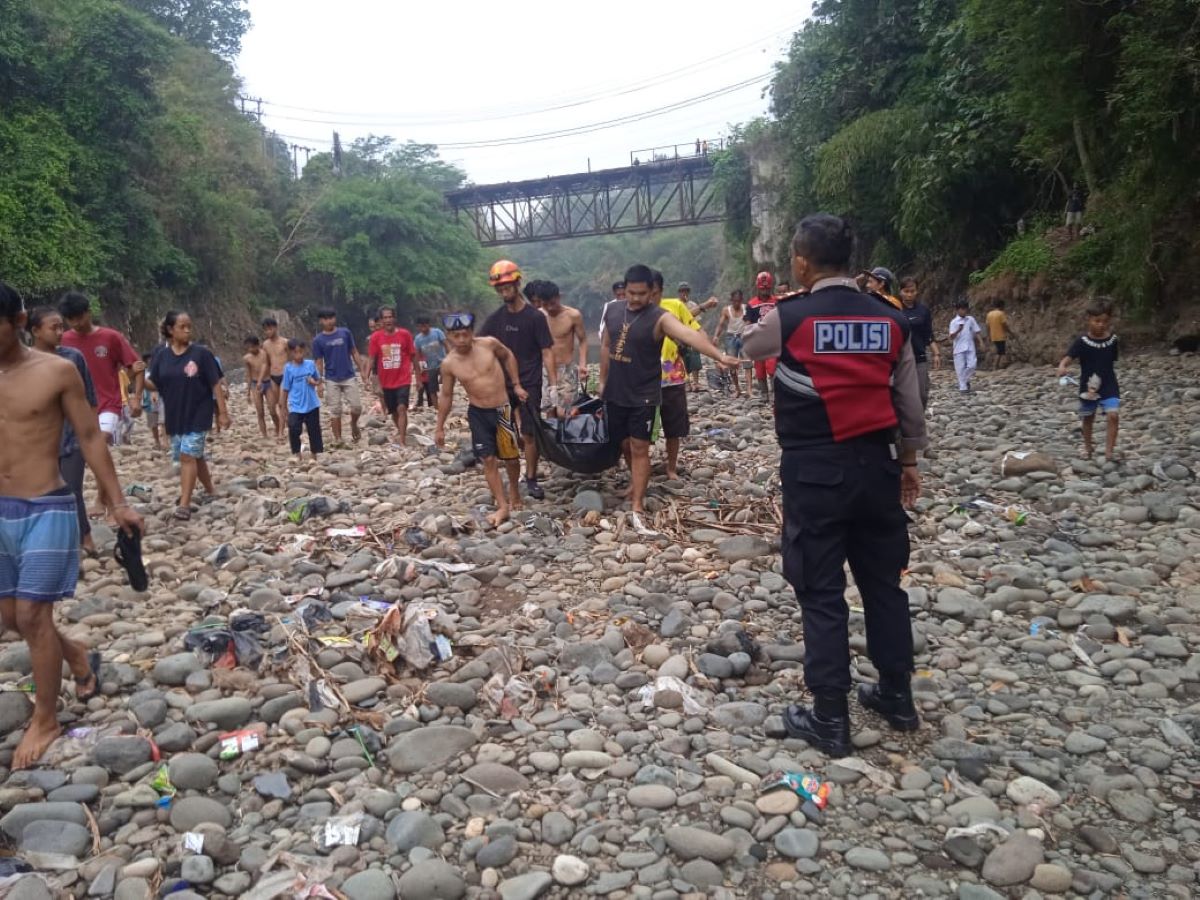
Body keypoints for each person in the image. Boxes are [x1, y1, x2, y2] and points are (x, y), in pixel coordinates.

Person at [742, 214, 926, 756]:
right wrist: (909, 463)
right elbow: (909, 404)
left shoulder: (792, 315)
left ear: (801, 261)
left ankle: (829, 719)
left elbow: (749, 346)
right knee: (884, 586)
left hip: (816, 470)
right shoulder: (891, 319)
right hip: (880, 467)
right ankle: (897, 695)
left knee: (822, 593)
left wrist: (780, 303)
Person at [0, 281, 145, 768]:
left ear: (18, 323)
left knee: (32, 616)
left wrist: (117, 502)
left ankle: (45, 718)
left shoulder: (57, 371)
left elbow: (88, 435)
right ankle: (76, 655)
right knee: (10, 616)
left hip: (46, 503)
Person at [599, 264, 738, 521]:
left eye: (642, 293)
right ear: (624, 290)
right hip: (616, 391)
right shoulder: (613, 311)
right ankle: (634, 482)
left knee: (640, 446)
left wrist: (719, 355)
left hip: (644, 393)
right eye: (631, 293)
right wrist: (602, 381)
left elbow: (688, 335)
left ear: (652, 291)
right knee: (624, 443)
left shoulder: (660, 317)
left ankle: (638, 502)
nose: (636, 299)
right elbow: (607, 344)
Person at [434, 312, 528, 527]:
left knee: (511, 458)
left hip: (502, 410)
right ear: (448, 336)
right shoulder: (449, 364)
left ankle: (514, 488)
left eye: (465, 334)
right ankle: (502, 505)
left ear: (472, 332)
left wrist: (516, 384)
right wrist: (439, 427)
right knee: (488, 459)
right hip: (478, 413)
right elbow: (446, 395)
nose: (461, 340)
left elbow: (508, 356)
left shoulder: (489, 344)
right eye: (456, 336)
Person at [27, 307, 100, 557]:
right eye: (53, 327)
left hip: (72, 438)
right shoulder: (23, 363)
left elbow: (89, 397)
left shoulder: (73, 358)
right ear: (35, 331)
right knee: (43, 493)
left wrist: (93, 432)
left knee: (72, 490)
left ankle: (85, 537)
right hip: (38, 442)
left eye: (61, 327)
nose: (60, 332)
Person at [480, 260, 556, 500]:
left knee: (530, 432)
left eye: (508, 286)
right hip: (502, 384)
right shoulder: (495, 319)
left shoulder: (535, 317)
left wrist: (553, 384)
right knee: (507, 432)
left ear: (517, 283)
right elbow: (478, 345)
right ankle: (515, 475)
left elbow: (547, 351)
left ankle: (531, 478)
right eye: (500, 288)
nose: (504, 291)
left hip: (530, 381)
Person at [146, 311, 230, 521]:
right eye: (182, 327)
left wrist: (222, 413)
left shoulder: (201, 354)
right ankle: (210, 489)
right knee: (194, 454)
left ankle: (184, 503)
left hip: (199, 412)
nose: (187, 330)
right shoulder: (161, 357)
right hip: (175, 415)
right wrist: (135, 376)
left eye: (189, 326)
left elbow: (215, 383)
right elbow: (154, 383)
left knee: (187, 456)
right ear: (170, 330)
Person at [58, 292, 144, 444]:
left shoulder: (111, 337)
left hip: (108, 404)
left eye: (80, 318)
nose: (76, 323)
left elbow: (138, 367)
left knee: (100, 440)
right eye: (71, 320)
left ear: (89, 313)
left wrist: (136, 398)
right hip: (75, 407)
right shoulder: (62, 341)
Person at [1057, 300, 1120, 461]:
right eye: (1097, 321)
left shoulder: (1113, 341)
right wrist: (1063, 365)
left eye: (1105, 321)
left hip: (1109, 384)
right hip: (1088, 386)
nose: (1101, 325)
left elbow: (1112, 360)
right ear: (1089, 320)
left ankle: (1109, 452)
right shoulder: (1082, 341)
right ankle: (1087, 447)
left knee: (1113, 415)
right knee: (1088, 416)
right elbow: (1069, 356)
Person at [654, 280, 703, 480]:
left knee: (673, 426)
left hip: (672, 376)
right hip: (644, 380)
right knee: (640, 428)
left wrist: (718, 355)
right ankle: (641, 469)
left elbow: (694, 331)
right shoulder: (634, 312)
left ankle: (671, 467)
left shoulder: (674, 306)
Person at [312, 308, 365, 444]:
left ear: (335, 318)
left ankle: (353, 424)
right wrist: (319, 383)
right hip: (331, 379)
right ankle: (338, 439)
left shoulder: (345, 333)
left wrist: (363, 371)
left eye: (331, 318)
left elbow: (354, 352)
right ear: (321, 321)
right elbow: (319, 362)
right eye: (325, 319)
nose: (329, 321)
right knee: (335, 410)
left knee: (356, 407)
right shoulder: (318, 340)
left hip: (348, 375)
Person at [533, 280, 588, 405]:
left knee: (567, 411)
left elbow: (583, 340)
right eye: (545, 304)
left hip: (566, 370)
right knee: (549, 409)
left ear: (559, 297)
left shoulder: (573, 315)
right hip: (544, 369)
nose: (550, 308)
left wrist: (583, 364)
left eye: (553, 303)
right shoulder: (538, 316)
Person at [367, 307, 416, 444]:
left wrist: (417, 375)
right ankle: (400, 430)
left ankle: (402, 439)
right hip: (386, 380)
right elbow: (371, 358)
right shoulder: (376, 337)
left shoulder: (405, 335)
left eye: (390, 317)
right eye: (385, 318)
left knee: (402, 408)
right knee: (393, 411)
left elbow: (413, 356)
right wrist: (366, 375)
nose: (388, 320)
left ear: (394, 318)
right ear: (381, 321)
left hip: (403, 378)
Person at [898, 276, 939, 409]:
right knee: (902, 393)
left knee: (922, 393)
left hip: (919, 357)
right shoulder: (894, 310)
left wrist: (936, 354)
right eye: (906, 291)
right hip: (900, 359)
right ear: (900, 291)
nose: (909, 294)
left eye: (912, 291)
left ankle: (919, 419)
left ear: (917, 291)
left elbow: (928, 334)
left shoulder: (923, 311)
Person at [282, 338, 324, 460]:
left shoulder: (310, 364)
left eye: (300, 352)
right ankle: (297, 453)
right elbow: (285, 388)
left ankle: (314, 454)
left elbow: (318, 380)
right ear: (290, 353)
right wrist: (284, 406)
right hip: (295, 405)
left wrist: (315, 383)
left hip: (311, 404)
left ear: (304, 351)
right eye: (295, 352)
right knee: (293, 427)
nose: (298, 355)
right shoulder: (288, 368)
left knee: (314, 429)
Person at [747, 272, 778, 401]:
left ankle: (775, 393)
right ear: (758, 287)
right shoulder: (752, 304)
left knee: (772, 367)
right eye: (762, 288)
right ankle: (763, 393)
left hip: (772, 340)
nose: (765, 291)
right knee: (759, 368)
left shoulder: (777, 302)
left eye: (767, 288)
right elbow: (749, 323)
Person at [713, 289, 750, 397]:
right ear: (731, 300)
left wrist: (748, 331)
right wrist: (716, 336)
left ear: (741, 300)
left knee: (748, 363)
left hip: (743, 336)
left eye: (738, 301)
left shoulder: (746, 308)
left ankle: (749, 390)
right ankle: (737, 389)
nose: (736, 303)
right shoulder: (726, 310)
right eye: (734, 301)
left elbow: (749, 321)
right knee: (732, 364)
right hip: (730, 338)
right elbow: (721, 324)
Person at [261, 317, 288, 440]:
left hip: (285, 376)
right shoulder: (265, 345)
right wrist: (261, 380)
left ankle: (281, 432)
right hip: (272, 377)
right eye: (266, 330)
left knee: (282, 404)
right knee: (272, 407)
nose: (268, 332)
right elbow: (265, 363)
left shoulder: (285, 342)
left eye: (270, 329)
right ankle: (279, 426)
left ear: (276, 328)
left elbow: (293, 358)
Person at [949, 299, 984, 392]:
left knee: (972, 365)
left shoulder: (970, 319)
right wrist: (958, 330)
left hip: (970, 346)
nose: (964, 311)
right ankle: (963, 389)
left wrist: (981, 342)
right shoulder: (954, 322)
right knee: (960, 369)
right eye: (962, 309)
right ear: (957, 310)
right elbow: (951, 337)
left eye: (965, 309)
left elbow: (977, 331)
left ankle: (964, 380)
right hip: (958, 348)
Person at [414, 317, 448, 409]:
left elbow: (446, 345)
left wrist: (451, 358)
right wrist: (418, 378)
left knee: (447, 383)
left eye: (425, 325)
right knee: (432, 389)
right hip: (430, 367)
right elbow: (416, 357)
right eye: (421, 326)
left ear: (429, 325)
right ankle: (436, 408)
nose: (423, 328)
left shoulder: (437, 332)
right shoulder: (418, 339)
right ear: (418, 327)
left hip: (443, 363)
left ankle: (447, 403)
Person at [242, 336, 271, 438]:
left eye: (252, 347)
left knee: (272, 408)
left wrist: (260, 381)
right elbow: (249, 374)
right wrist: (248, 392)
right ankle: (264, 434)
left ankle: (277, 429)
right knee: (260, 411)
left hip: (267, 382)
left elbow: (265, 366)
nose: (250, 350)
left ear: (257, 345)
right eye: (248, 348)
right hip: (254, 384)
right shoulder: (247, 358)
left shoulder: (264, 354)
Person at [139, 354, 164, 449]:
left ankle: (165, 441)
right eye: (148, 360)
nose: (150, 362)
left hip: (161, 399)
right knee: (153, 423)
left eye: (152, 360)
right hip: (148, 402)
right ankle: (157, 441)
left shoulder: (160, 370)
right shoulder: (143, 373)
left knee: (163, 422)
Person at [985, 300, 1016, 370]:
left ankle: (1002, 363)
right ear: (1001, 306)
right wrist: (1010, 332)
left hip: (993, 335)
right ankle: (995, 366)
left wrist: (988, 335)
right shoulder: (1001, 314)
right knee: (1000, 351)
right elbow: (1004, 324)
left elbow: (987, 326)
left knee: (1000, 350)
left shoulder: (989, 314)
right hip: (1000, 335)